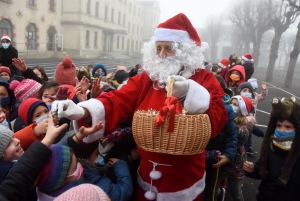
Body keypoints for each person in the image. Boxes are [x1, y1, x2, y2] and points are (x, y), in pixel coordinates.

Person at [52, 13, 227, 200]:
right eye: (158, 48)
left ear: (185, 51)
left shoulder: (205, 79)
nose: (161, 54)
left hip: (185, 183)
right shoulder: (147, 80)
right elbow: (118, 99)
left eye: (169, 48)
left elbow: (217, 120)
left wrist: (191, 95)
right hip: (145, 177)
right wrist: (82, 110)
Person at [0, 113, 68, 201]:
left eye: (13, 137)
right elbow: (25, 170)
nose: (17, 141)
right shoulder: (7, 173)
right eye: (9, 143)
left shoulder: (11, 161)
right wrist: (49, 138)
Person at [243, 97, 300, 201]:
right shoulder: (271, 147)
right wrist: (253, 169)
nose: (282, 130)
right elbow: (263, 170)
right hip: (266, 196)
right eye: (279, 126)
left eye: (288, 127)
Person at [218, 95, 256, 201]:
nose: (232, 106)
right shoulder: (227, 117)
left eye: (235, 105)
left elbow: (241, 135)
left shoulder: (247, 123)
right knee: (214, 189)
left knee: (237, 194)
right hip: (222, 160)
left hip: (236, 164)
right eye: (231, 103)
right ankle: (221, 193)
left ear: (242, 109)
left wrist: (227, 122)